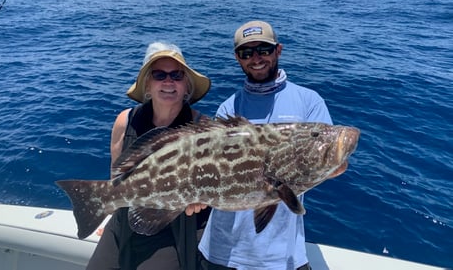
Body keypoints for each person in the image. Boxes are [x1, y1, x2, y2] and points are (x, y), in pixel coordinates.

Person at [198, 20, 333, 270]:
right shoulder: (229, 108)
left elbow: (325, 160)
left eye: (264, 50)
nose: (256, 58)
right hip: (221, 253)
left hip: (281, 258)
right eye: (246, 53)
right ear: (238, 58)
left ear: (278, 50)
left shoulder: (309, 102)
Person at [86, 42, 211, 270]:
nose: (168, 82)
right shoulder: (125, 120)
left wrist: (202, 197)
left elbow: (212, 180)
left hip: (176, 225)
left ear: (186, 86)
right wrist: (110, 212)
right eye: (159, 75)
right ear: (147, 85)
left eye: (176, 75)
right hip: (125, 219)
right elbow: (117, 177)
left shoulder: (203, 127)